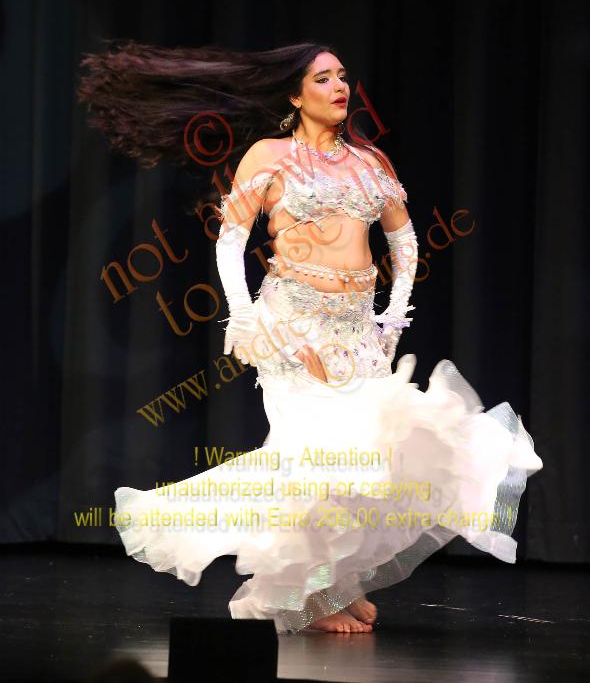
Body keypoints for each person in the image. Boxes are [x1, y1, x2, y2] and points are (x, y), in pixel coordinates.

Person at [78, 40, 543, 635]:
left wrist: (391, 318)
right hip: (291, 325)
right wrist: (246, 318)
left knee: (366, 459)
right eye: (322, 79)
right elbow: (230, 242)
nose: (339, 87)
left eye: (342, 76)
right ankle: (307, 595)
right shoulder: (270, 156)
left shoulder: (370, 162)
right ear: (295, 97)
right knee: (313, 458)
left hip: (357, 329)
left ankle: (331, 583)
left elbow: (404, 241)